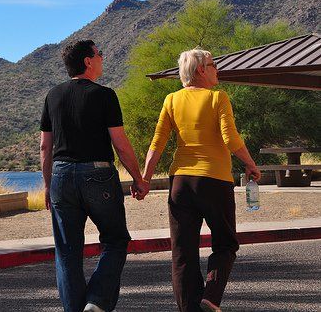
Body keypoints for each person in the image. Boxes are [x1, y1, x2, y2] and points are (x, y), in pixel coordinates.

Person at [142, 49, 261, 312]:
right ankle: (211, 296)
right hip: (214, 181)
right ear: (200, 70)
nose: (217, 69)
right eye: (213, 64)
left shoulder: (171, 100)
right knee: (226, 243)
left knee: (183, 253)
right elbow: (230, 138)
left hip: (181, 183)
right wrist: (250, 163)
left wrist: (145, 179)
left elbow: (157, 143)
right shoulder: (217, 98)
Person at [40, 40, 149, 312]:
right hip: (98, 174)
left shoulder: (52, 96)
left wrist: (47, 185)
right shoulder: (105, 95)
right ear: (88, 61)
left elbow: (45, 147)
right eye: (100, 54)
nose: (103, 57)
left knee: (67, 251)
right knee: (115, 240)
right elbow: (120, 144)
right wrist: (138, 178)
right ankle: (98, 301)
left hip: (62, 177)